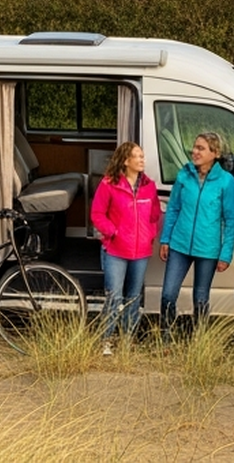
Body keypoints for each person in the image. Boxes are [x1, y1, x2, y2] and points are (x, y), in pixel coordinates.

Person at [156, 131, 234, 341]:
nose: (195, 151)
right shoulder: (184, 174)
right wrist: (165, 239)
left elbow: (230, 221)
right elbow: (173, 208)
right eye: (195, 147)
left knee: (200, 298)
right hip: (179, 245)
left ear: (215, 153)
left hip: (208, 250)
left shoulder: (226, 181)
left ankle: (199, 341)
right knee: (167, 295)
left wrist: (225, 254)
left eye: (201, 148)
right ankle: (166, 338)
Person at [89, 141, 160, 353]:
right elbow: (97, 214)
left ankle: (128, 340)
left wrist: (150, 234)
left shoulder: (149, 186)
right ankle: (106, 340)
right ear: (126, 161)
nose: (142, 160)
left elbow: (155, 215)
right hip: (116, 250)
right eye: (137, 156)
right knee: (114, 296)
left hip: (141, 252)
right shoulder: (109, 184)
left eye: (142, 156)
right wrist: (113, 232)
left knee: (134, 297)